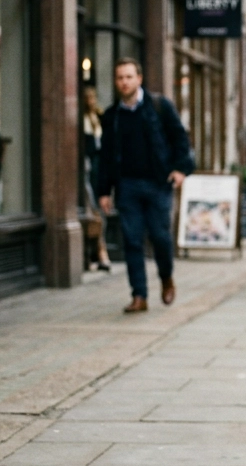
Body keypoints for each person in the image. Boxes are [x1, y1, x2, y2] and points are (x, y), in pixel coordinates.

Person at [96, 58, 194, 313]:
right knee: (132, 240)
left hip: (158, 183)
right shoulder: (112, 116)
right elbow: (105, 156)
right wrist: (104, 191)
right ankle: (139, 294)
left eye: (129, 77)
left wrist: (181, 169)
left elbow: (179, 138)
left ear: (139, 79)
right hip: (127, 186)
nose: (124, 82)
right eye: (120, 78)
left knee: (161, 237)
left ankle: (166, 277)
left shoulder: (160, 106)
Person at [82, 84, 111, 272]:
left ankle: (99, 252)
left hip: (100, 172)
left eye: (93, 97)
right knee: (92, 213)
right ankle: (98, 253)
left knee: (100, 213)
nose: (91, 101)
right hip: (87, 170)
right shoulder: (81, 120)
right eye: (88, 98)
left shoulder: (98, 117)